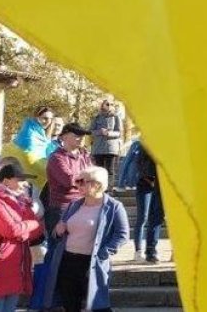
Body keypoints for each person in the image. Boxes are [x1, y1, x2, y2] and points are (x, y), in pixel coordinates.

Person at [41, 165, 129, 312]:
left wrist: (103, 253)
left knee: (97, 306)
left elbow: (122, 235)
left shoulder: (114, 207)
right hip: (67, 261)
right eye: (77, 181)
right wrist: (58, 229)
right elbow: (58, 232)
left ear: (97, 184)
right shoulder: (74, 205)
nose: (77, 185)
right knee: (70, 304)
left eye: (82, 181)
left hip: (92, 263)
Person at [0, 165, 43, 312]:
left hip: (17, 266)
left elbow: (37, 232)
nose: (25, 183)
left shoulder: (21, 201)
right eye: (20, 179)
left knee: (9, 308)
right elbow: (11, 230)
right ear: (6, 181)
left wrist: (24, 229)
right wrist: (32, 224)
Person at [45, 123, 93, 244]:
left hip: (83, 205)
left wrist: (85, 178)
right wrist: (87, 179)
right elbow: (69, 180)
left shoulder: (85, 156)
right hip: (62, 209)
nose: (81, 138)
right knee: (57, 251)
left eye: (83, 135)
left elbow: (95, 177)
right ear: (64, 137)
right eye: (77, 135)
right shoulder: (56, 157)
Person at [131, 141, 165, 264]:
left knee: (157, 218)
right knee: (146, 217)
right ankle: (142, 251)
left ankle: (152, 251)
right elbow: (140, 163)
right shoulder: (147, 141)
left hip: (163, 183)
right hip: (147, 183)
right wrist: (150, 179)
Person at [89, 100, 123, 183]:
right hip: (98, 148)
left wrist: (108, 133)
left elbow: (119, 133)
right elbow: (90, 131)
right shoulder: (96, 118)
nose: (107, 106)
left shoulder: (116, 117)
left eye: (110, 104)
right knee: (98, 170)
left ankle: (109, 190)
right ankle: (99, 188)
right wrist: (100, 132)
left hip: (110, 148)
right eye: (106, 104)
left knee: (109, 170)